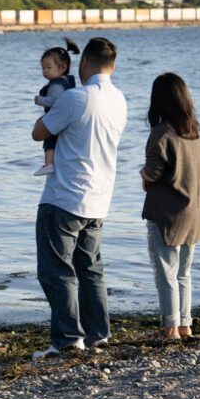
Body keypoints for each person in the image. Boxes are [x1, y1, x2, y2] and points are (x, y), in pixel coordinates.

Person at [30, 37, 127, 359]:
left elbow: (39, 132)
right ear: (112, 66)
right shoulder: (120, 100)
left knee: (57, 270)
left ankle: (68, 339)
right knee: (91, 270)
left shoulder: (75, 97)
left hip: (64, 198)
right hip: (100, 198)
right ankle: (98, 335)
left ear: (83, 63)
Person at [140, 73, 200, 339]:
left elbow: (153, 172)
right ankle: (185, 326)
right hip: (193, 211)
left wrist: (143, 175)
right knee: (183, 274)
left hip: (166, 212)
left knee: (165, 273)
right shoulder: (194, 130)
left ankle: (170, 329)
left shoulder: (161, 133)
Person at [33, 38, 80, 176]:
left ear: (63, 67)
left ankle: (48, 164)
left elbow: (55, 101)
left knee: (49, 141)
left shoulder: (56, 85)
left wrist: (40, 100)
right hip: (67, 117)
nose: (45, 71)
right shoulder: (66, 81)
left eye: (49, 68)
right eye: (43, 68)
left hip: (57, 117)